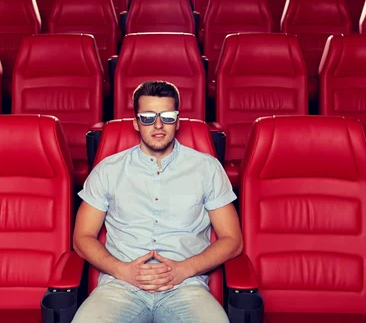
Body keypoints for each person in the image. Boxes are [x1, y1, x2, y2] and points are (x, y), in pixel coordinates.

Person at [72, 80, 242, 323]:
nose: (159, 125)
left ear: (178, 121)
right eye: (148, 117)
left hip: (185, 288)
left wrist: (184, 269)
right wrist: (123, 270)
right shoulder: (108, 170)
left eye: (168, 116)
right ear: (136, 123)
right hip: (120, 287)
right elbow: (82, 238)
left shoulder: (207, 168)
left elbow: (233, 240)